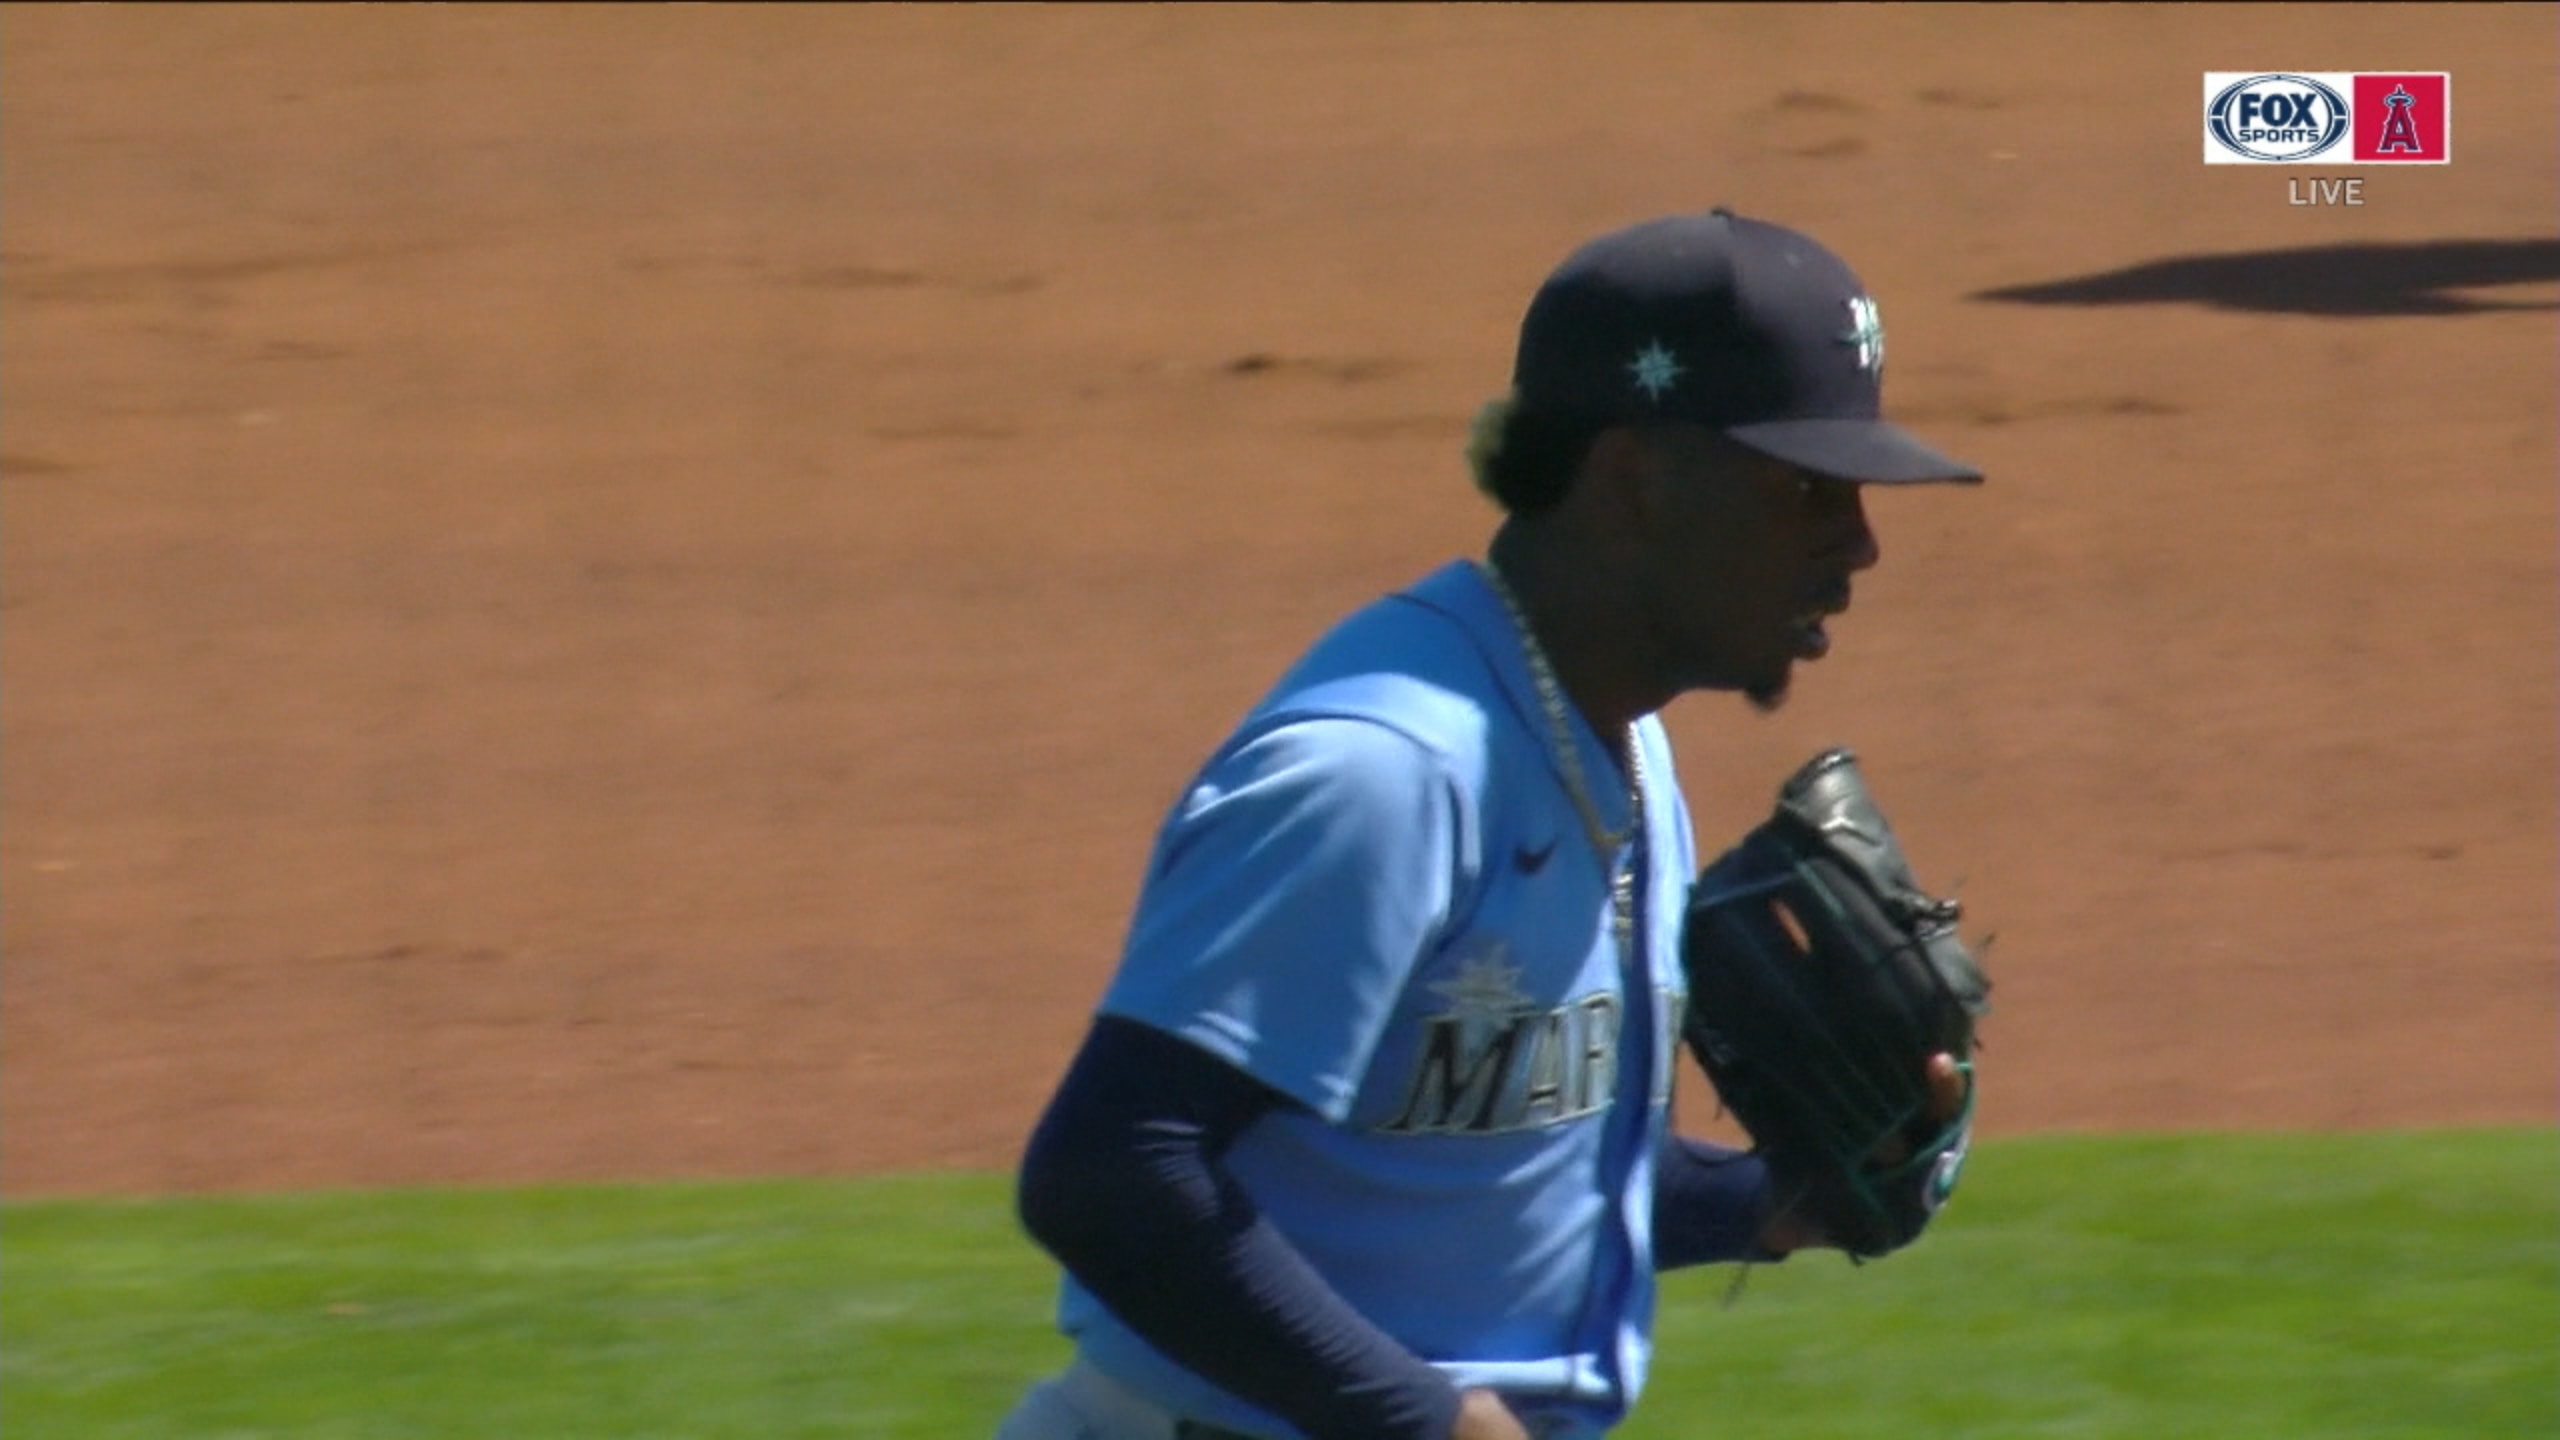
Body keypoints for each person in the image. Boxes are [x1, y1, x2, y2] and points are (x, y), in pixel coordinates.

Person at [999, 208, 1983, 1440]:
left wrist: (1776, 1203)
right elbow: (1107, 1172)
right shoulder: (1384, 772)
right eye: (1803, 487)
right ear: (1632, 478)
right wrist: (1425, 1421)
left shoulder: (1612, 744)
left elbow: (1494, 1182)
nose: (1860, 542)